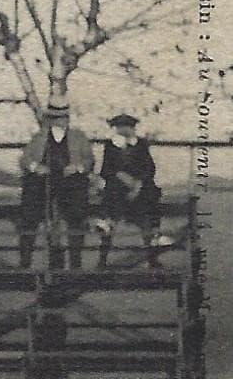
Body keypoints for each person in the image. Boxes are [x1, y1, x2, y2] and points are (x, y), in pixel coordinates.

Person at [16, 96, 94, 270]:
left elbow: (89, 160)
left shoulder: (78, 137)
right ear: (50, 119)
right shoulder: (39, 137)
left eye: (65, 117)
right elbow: (24, 160)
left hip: (70, 182)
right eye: (57, 117)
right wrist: (36, 167)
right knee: (30, 216)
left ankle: (75, 262)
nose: (62, 121)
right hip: (44, 181)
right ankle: (25, 261)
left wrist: (77, 167)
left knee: (76, 216)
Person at [92, 113, 170, 268]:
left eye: (128, 127)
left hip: (140, 188)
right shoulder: (111, 145)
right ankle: (103, 256)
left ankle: (152, 253)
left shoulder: (141, 144)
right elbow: (105, 170)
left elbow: (150, 168)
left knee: (150, 202)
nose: (125, 131)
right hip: (118, 188)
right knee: (111, 203)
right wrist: (122, 176)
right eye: (121, 127)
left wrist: (138, 183)